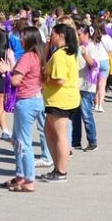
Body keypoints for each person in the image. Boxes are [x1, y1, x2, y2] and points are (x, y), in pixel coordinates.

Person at [4, 26, 44, 191]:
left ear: (30, 40)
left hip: (25, 101)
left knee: (24, 142)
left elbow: (15, 81)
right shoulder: (39, 56)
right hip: (36, 99)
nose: (20, 40)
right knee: (17, 140)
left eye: (23, 37)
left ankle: (29, 180)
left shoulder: (27, 57)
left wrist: (8, 71)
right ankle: (20, 176)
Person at [41, 23, 80, 183]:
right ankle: (57, 168)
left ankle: (61, 171)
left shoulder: (60, 55)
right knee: (50, 133)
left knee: (60, 136)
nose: (51, 37)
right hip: (64, 99)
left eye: (53, 34)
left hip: (60, 100)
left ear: (60, 35)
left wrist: (45, 78)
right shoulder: (69, 52)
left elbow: (60, 79)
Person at [77, 24, 109, 151]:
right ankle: (75, 141)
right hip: (77, 84)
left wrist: (85, 55)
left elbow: (95, 64)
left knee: (86, 114)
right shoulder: (78, 46)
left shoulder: (91, 47)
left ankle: (92, 141)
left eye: (79, 34)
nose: (77, 36)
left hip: (87, 85)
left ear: (86, 34)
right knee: (75, 115)